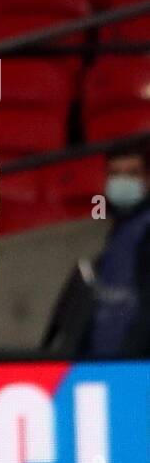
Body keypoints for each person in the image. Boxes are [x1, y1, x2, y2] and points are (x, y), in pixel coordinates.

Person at [83, 148, 150, 358]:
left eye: (132, 173)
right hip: (106, 365)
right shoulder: (119, 229)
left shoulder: (145, 229)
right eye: (115, 174)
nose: (122, 181)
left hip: (133, 366)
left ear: (147, 178)